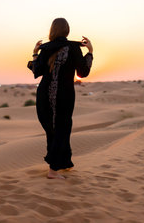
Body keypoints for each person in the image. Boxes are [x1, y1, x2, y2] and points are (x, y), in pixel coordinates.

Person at [28, 18, 93, 179]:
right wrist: (90, 52)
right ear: (67, 30)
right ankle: (53, 170)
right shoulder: (73, 48)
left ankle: (63, 163)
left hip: (44, 94)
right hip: (63, 95)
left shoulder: (46, 49)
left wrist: (35, 53)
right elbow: (83, 73)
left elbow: (37, 71)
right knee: (62, 128)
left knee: (53, 129)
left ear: (52, 31)